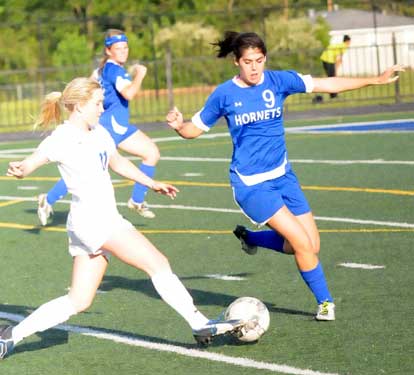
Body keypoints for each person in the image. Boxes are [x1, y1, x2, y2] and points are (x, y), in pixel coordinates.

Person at [166, 31, 404, 321]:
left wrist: (374, 80)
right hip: (251, 185)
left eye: (259, 60)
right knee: (303, 245)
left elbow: (326, 82)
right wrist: (180, 126)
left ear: (265, 59)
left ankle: (252, 238)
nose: (254, 67)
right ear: (236, 62)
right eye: (247, 61)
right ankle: (325, 303)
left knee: (309, 245)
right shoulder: (224, 94)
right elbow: (194, 129)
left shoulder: (279, 81)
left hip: (283, 176)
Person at [0, 77, 244, 360]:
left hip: (93, 222)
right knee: (158, 264)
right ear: (79, 106)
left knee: (78, 300)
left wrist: (150, 183)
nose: (102, 108)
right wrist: (22, 168)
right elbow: (33, 160)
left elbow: (118, 163)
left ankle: (9, 337)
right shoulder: (63, 137)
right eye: (97, 103)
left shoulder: (98, 131)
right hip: (95, 221)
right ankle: (199, 323)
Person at [37, 28, 160, 226]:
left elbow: (91, 85)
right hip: (109, 127)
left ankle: (136, 200)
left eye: (125, 47)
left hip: (120, 126)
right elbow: (128, 94)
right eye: (118, 48)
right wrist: (140, 75)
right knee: (86, 170)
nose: (123, 51)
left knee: (151, 152)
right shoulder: (114, 70)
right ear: (108, 50)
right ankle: (47, 200)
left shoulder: (101, 70)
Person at [318, 35, 352, 99]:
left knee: (331, 78)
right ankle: (333, 95)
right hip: (329, 60)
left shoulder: (340, 45)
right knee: (332, 78)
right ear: (347, 41)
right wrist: (336, 70)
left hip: (324, 59)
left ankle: (333, 95)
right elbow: (338, 59)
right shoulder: (344, 46)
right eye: (350, 42)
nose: (350, 44)